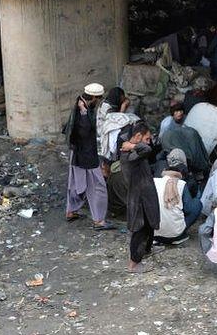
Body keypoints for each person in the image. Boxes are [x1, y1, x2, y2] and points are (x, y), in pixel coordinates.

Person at [63, 83, 114, 230]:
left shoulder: (81, 105)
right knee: (98, 187)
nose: (98, 102)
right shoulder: (82, 110)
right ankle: (99, 221)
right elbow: (84, 132)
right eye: (97, 99)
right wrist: (84, 113)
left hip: (78, 154)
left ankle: (71, 211)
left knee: (75, 184)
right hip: (86, 156)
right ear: (92, 97)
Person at [121, 121, 161, 272]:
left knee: (149, 225)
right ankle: (133, 263)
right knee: (140, 229)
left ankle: (146, 250)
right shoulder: (130, 155)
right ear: (138, 136)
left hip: (145, 195)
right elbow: (147, 149)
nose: (148, 142)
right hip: (139, 198)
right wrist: (132, 146)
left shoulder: (134, 152)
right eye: (146, 138)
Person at [153, 149, 202, 245]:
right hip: (176, 234)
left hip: (154, 232)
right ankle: (180, 234)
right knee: (197, 203)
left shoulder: (154, 182)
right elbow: (189, 209)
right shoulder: (181, 184)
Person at [160, 103, 210, 176]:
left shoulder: (188, 120)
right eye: (176, 111)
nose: (179, 113)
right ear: (172, 113)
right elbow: (163, 138)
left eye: (180, 111)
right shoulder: (167, 124)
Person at [96, 87, 140, 167]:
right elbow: (116, 121)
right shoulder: (106, 107)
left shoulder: (112, 102)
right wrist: (123, 106)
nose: (124, 99)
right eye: (122, 98)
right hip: (103, 133)